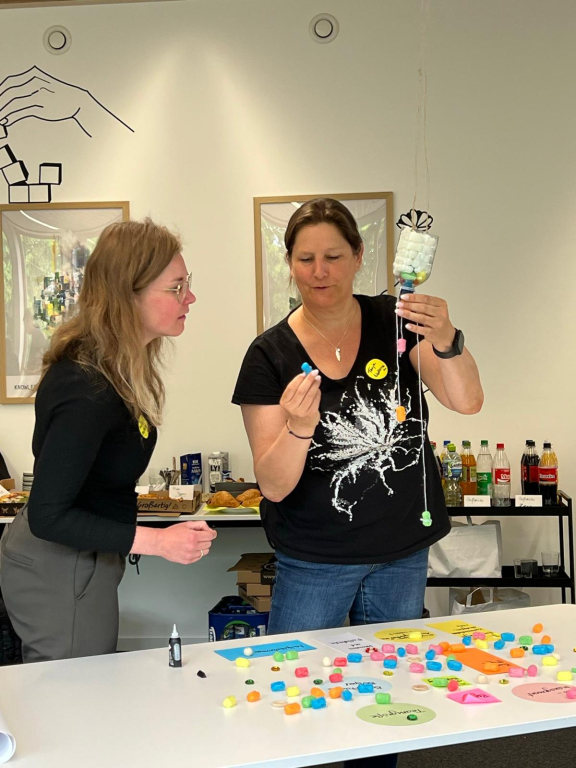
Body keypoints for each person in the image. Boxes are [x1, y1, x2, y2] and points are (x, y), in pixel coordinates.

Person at [233, 198, 483, 768]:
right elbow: (272, 484)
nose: (319, 271)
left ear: (359, 257)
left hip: (400, 552)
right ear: (289, 264)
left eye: (332, 256)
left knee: (385, 708)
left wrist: (447, 338)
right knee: (295, 701)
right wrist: (298, 428)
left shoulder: (397, 320)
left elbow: (467, 400)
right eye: (305, 258)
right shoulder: (269, 354)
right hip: (316, 559)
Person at [0, 219, 217, 663]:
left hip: (84, 559)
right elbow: (48, 515)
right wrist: (159, 542)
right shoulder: (86, 386)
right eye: (176, 288)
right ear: (128, 295)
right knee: (72, 699)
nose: (189, 298)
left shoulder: (116, 373)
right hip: (57, 564)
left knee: (86, 692)